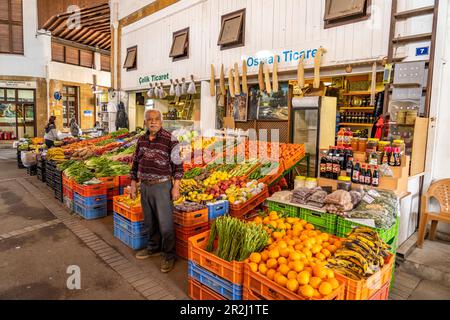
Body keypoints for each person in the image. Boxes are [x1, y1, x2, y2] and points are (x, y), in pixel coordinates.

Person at [130, 109, 184, 273]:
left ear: (161, 121)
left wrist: (176, 187)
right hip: (145, 186)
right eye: (149, 119)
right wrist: (133, 183)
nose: (153, 122)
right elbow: (135, 164)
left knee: (166, 224)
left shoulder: (170, 140)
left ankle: (169, 255)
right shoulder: (141, 140)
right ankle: (153, 247)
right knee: (150, 221)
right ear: (145, 122)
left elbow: (178, 166)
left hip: (162, 186)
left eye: (156, 119)